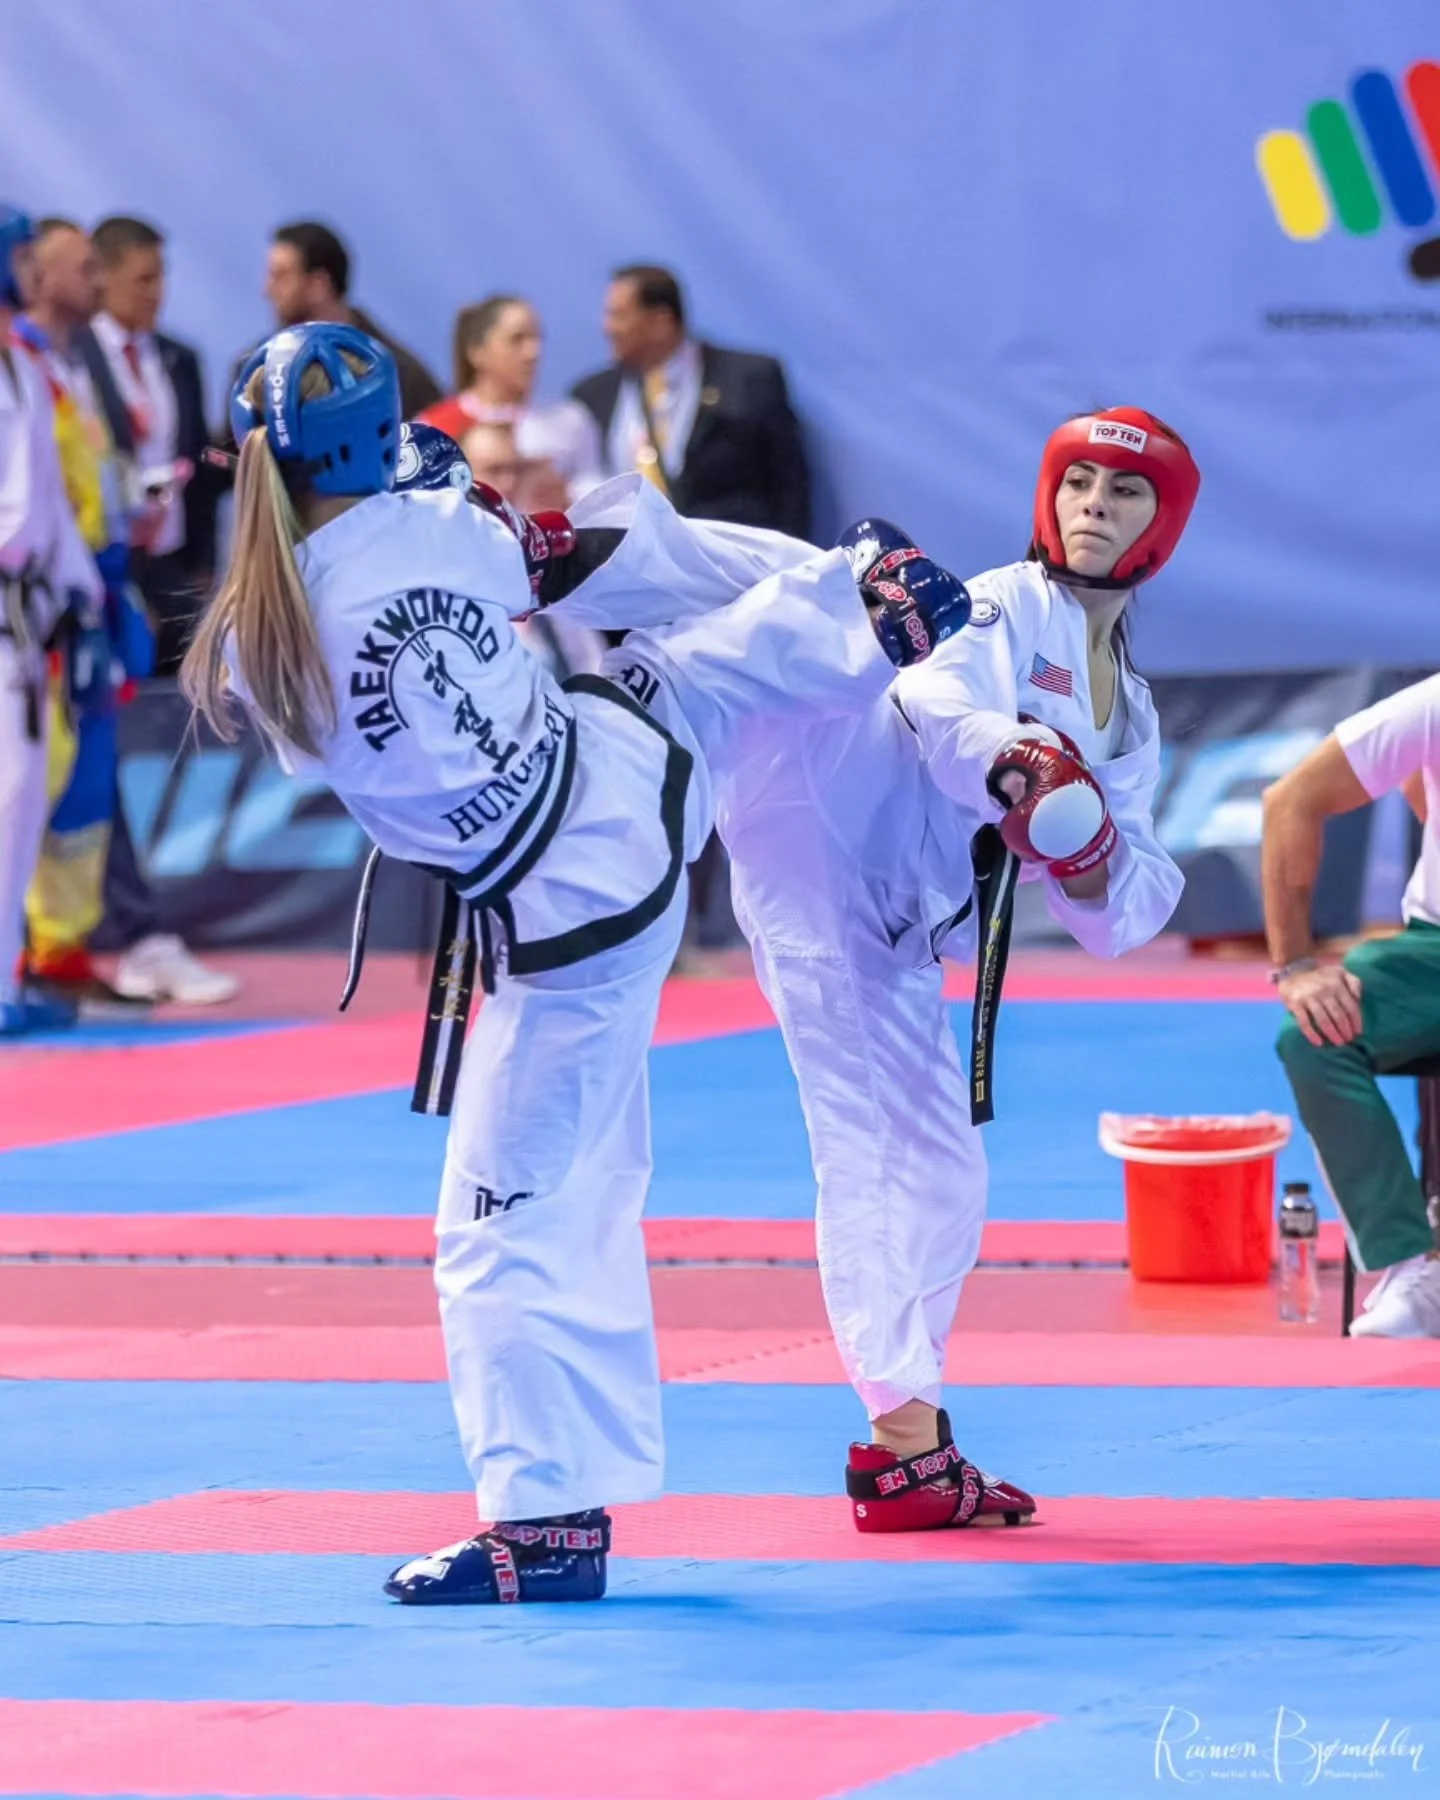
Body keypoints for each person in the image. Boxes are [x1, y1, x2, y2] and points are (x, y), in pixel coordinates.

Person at [182, 336, 894, 1605]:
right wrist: (451, 490)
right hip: (624, 794)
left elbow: (308, 732)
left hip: (571, 923)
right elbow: (553, 555)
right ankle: (864, 599)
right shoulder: (439, 529)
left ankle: (546, 1526)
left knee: (497, 1232)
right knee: (676, 648)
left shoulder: (258, 638)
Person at [630, 408, 1195, 1532]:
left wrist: (1081, 850)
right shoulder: (1001, 603)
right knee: (820, 578)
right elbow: (931, 697)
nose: (1094, 505)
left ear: (1161, 524)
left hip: (890, 904)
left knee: (941, 1177)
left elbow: (1125, 906)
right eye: (1077, 483)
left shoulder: (1126, 707)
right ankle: (901, 1456)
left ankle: (910, 1441)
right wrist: (1014, 759)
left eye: (1123, 493)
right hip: (824, 841)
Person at [1264, 682, 1440, 1337]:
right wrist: (1297, 967)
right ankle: (1414, 1268)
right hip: (1435, 955)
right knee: (1317, 1034)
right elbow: (1293, 799)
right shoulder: (1435, 705)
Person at [14, 219, 154, 1011]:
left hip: (94, 587)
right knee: (38, 774)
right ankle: (26, 950)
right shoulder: (20, 362)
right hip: (44, 598)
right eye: (83, 266)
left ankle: (60, 949)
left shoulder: (69, 367)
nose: (96, 281)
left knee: (81, 784)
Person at [0, 203, 106, 1036]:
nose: (37, 272)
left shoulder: (26, 368)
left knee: (22, 796)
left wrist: (84, 590)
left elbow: (48, 510)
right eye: (27, 257)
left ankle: (6, 976)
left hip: (29, 613)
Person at [572, 265, 811, 538]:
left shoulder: (748, 379)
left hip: (729, 564)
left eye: (619, 315)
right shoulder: (592, 394)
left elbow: (790, 486)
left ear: (661, 322)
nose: (607, 328)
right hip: (628, 566)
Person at [80, 215, 217, 672]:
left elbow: (198, 464)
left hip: (173, 564)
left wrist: (203, 561)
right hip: (107, 564)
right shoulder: (74, 357)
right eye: (144, 279)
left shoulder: (181, 359)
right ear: (103, 276)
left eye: (161, 277)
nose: (156, 291)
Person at [419, 296, 603, 501]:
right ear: (476, 351)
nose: (533, 352)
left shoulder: (569, 421)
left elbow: (594, 486)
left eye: (537, 338)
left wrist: (566, 494)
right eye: (517, 339)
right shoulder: (433, 430)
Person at [262, 221, 441, 419]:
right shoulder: (257, 370)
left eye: (281, 277)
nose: (267, 290)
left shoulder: (402, 379)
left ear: (318, 285)